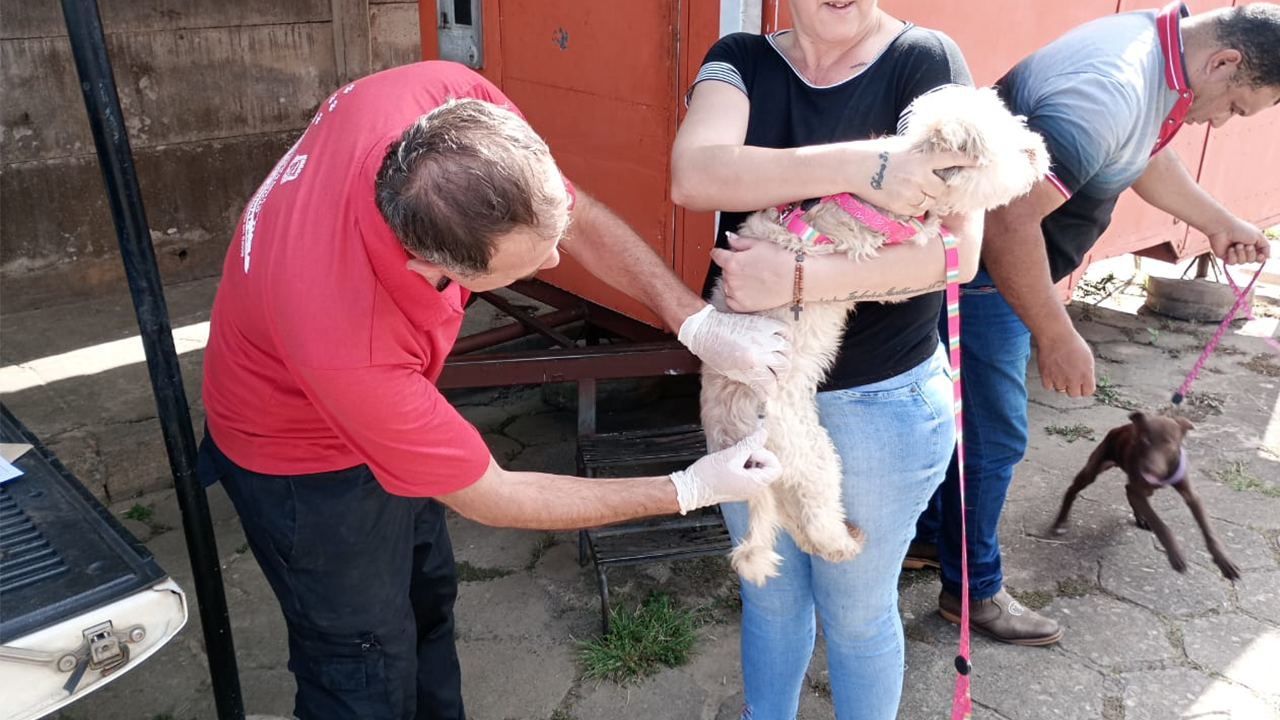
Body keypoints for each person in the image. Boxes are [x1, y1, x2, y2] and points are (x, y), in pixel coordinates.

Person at [196, 60, 793, 720]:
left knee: (427, 599)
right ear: (433, 269)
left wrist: (696, 321)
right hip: (298, 456)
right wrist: (691, 487)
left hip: (354, 378)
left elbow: (577, 218)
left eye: (550, 238)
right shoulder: (348, 339)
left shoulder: (439, 100)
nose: (556, 262)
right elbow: (495, 494)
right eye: (528, 266)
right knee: (361, 659)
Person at [908, 1, 1278, 646]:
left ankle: (931, 540)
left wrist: (1220, 221)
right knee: (993, 439)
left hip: (981, 264)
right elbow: (1008, 222)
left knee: (958, 421)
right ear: (1225, 61)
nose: (1221, 121)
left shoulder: (1158, 53)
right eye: (1236, 107)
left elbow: (1140, 157)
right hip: (982, 273)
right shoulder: (1109, 87)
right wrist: (1058, 334)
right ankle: (973, 593)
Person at [670, 2, 985, 718]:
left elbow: (959, 252)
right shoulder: (741, 59)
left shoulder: (925, 61)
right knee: (770, 597)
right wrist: (868, 164)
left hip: (878, 399)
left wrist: (800, 280)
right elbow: (693, 176)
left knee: (856, 612)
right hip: (750, 390)